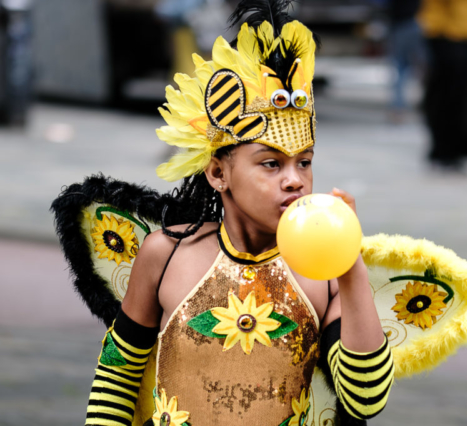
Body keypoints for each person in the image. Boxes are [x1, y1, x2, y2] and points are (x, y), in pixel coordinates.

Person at [82, 1, 394, 425]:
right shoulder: (166, 254)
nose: (294, 180)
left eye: (304, 162)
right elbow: (116, 380)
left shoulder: (326, 277)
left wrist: (350, 262)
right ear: (217, 172)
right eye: (271, 164)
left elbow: (365, 400)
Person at [418, 0, 467, 169]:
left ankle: (455, 150)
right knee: (442, 97)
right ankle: (440, 150)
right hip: (442, 36)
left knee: (460, 98)